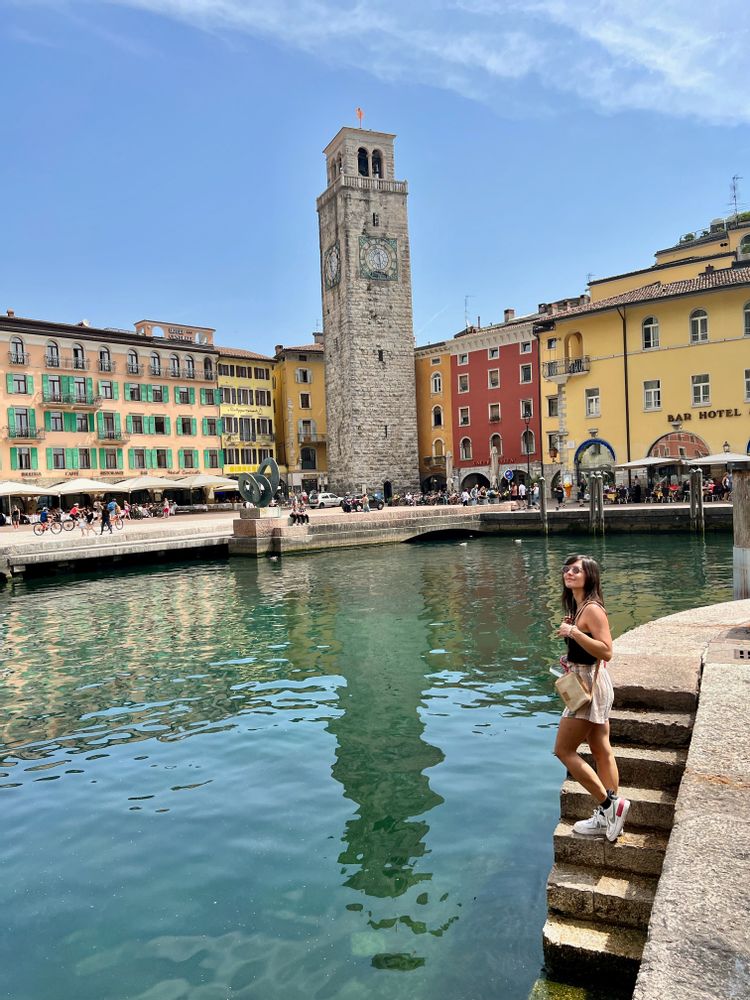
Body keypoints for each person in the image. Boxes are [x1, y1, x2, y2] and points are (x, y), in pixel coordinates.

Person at [553, 554, 630, 842]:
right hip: (590, 681)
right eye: (567, 569)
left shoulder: (592, 610)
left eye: (577, 570)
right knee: (600, 747)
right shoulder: (579, 606)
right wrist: (573, 636)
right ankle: (608, 814)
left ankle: (609, 806)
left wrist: (574, 632)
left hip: (589, 685)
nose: (569, 573)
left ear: (590, 577)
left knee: (563, 750)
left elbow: (607, 650)